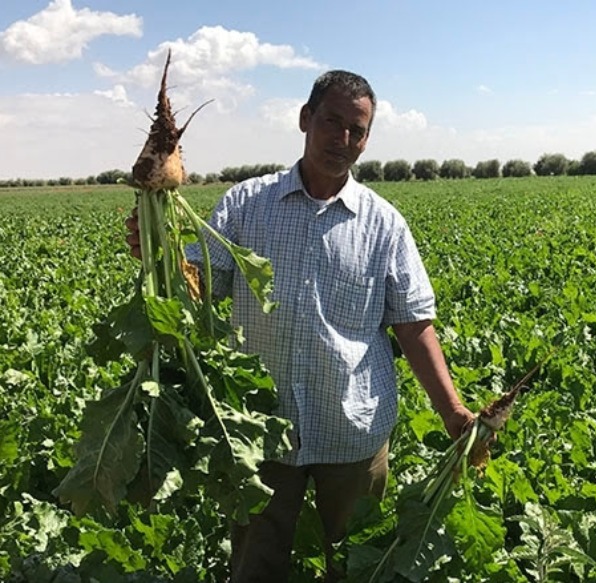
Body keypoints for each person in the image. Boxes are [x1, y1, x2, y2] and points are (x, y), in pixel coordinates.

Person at [125, 70, 475, 582]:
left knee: (354, 565)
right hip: (262, 431)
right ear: (305, 118)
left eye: (357, 130)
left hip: (353, 431)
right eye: (332, 123)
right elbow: (200, 286)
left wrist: (453, 412)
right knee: (256, 563)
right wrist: (158, 251)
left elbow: (413, 325)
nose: (343, 140)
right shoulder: (247, 204)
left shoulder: (384, 224)